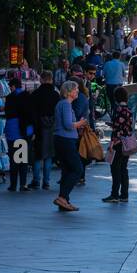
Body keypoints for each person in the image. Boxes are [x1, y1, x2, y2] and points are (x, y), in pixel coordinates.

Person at [53, 81, 86, 211]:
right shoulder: (66, 105)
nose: (78, 91)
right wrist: (80, 123)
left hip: (62, 140)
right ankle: (62, 197)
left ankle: (64, 200)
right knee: (77, 169)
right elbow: (67, 124)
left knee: (67, 170)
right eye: (76, 89)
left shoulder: (63, 104)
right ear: (69, 91)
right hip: (66, 141)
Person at [102, 86, 135, 203]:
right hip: (127, 143)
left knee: (115, 168)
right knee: (123, 168)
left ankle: (114, 194)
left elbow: (117, 130)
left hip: (118, 143)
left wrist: (111, 144)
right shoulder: (129, 110)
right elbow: (125, 126)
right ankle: (124, 194)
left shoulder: (118, 109)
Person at [30, 70, 60, 191]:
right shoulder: (55, 95)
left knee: (37, 156)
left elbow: (31, 112)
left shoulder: (35, 94)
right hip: (51, 128)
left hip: (38, 128)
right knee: (49, 156)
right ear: (51, 79)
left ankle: (36, 180)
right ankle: (46, 182)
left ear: (41, 79)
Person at [4, 75, 35, 192]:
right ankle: (23, 184)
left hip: (12, 131)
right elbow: (31, 114)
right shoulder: (27, 96)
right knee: (22, 160)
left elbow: (8, 113)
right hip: (24, 132)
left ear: (12, 86)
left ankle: (13, 185)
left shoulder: (9, 98)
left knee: (13, 159)